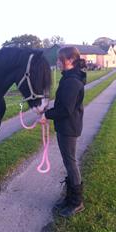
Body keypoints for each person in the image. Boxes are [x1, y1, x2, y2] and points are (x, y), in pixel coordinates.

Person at [42, 46, 87, 217]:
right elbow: (63, 106)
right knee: (69, 162)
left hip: (69, 128)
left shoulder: (72, 81)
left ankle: (77, 202)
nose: (58, 63)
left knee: (71, 162)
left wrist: (47, 114)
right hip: (66, 126)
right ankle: (70, 198)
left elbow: (65, 110)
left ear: (70, 60)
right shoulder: (69, 78)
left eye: (60, 60)